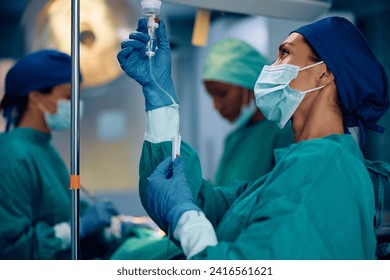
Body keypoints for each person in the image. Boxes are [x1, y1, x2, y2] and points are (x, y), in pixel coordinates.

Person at [117, 16, 389, 259]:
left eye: (284, 53)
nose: (269, 68)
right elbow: (209, 207)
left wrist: (185, 215)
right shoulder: (292, 168)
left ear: (324, 72)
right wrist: (159, 96)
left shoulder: (323, 164)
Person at [0, 50, 122, 259]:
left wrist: (103, 226)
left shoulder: (44, 148)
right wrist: (77, 228)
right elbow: (12, 249)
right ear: (35, 96)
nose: (76, 104)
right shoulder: (11, 153)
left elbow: (62, 208)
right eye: (69, 96)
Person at [202, 38, 293, 185]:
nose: (216, 106)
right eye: (211, 96)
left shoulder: (283, 133)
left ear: (249, 84)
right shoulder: (234, 139)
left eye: (222, 94)